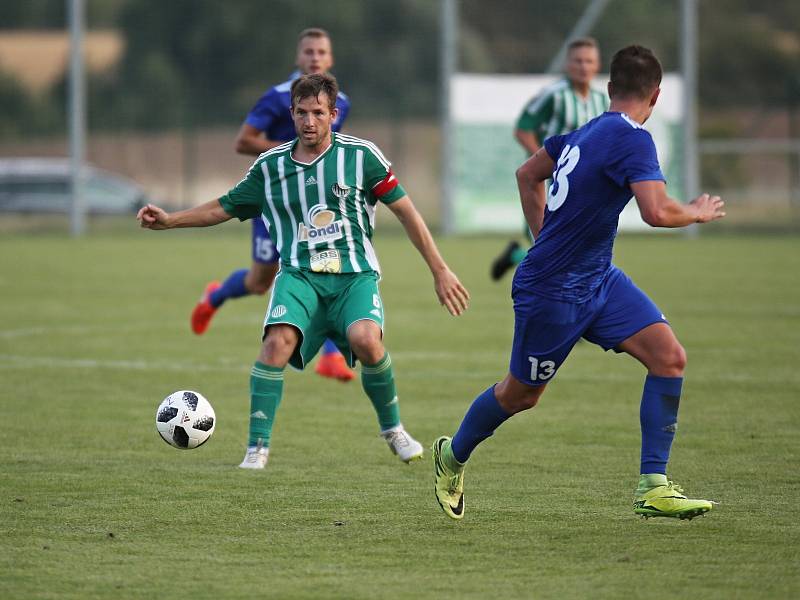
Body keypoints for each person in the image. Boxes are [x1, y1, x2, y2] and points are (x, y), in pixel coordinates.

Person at [432, 45, 725, 520]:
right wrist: (695, 210)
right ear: (656, 96)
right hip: (552, 292)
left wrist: (542, 234)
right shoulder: (632, 138)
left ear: (609, 89)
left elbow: (528, 175)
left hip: (599, 280)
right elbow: (655, 211)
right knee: (520, 395)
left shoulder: (582, 132)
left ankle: (652, 485)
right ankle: (451, 456)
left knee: (669, 358)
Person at [139, 73, 470, 470]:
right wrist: (170, 220)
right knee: (276, 342)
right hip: (299, 276)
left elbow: (407, 212)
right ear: (291, 114)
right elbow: (222, 207)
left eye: (317, 112)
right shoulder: (271, 168)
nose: (309, 121)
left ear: (333, 114)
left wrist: (440, 270)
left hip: (354, 276)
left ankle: (393, 429)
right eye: (301, 112)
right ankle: (256, 449)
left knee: (366, 340)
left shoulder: (361, 157)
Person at [191, 27, 355, 382]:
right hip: (276, 201)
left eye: (321, 52)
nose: (315, 57)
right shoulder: (278, 97)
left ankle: (330, 356)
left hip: (315, 205)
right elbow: (243, 141)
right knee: (258, 281)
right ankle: (216, 295)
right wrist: (289, 155)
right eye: (308, 51)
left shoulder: (342, 102)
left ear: (331, 58)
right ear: (298, 58)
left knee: (321, 268)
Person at [491, 37, 609, 281]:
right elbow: (523, 129)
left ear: (597, 65)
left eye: (589, 61)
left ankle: (517, 257)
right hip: (547, 183)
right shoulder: (553, 95)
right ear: (567, 64)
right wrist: (546, 163)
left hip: (582, 185)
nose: (583, 67)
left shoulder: (601, 101)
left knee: (570, 248)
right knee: (546, 243)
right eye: (577, 61)